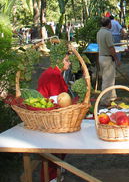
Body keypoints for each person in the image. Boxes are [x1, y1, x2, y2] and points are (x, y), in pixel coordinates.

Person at [37, 54, 71, 182]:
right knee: (55, 147)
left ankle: (58, 170)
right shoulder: (53, 75)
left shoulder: (53, 72)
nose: (69, 63)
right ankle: (52, 177)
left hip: (48, 114)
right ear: (58, 60)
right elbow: (58, 100)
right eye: (66, 60)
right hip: (49, 118)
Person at [97, 17, 121, 106]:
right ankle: (104, 100)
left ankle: (112, 96)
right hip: (107, 58)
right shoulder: (107, 33)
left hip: (101, 57)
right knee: (107, 80)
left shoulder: (99, 32)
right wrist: (117, 59)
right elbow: (111, 48)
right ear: (108, 24)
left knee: (111, 78)